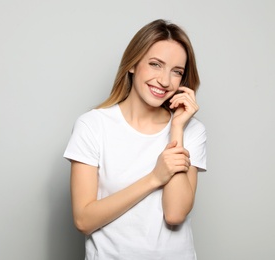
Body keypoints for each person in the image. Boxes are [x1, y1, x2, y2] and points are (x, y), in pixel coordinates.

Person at [63, 19, 206, 260]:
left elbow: (175, 214)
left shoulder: (191, 130)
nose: (164, 81)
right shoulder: (93, 126)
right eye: (155, 64)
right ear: (132, 64)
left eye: (176, 72)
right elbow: (83, 220)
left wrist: (177, 128)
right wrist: (154, 178)